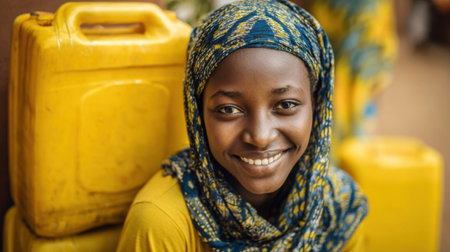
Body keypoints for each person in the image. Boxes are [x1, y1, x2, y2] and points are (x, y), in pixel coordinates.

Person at [117, 0, 368, 251]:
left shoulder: (339, 206)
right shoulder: (162, 223)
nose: (260, 136)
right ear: (197, 113)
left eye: (286, 104)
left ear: (317, 103)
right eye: (229, 110)